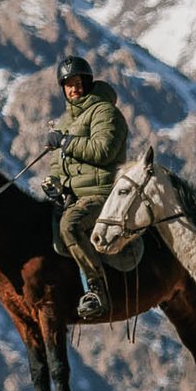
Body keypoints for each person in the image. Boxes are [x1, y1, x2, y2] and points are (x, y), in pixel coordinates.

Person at [45, 56, 130, 320]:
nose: (74, 88)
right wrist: (54, 182)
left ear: (88, 82)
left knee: (70, 225)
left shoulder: (105, 112)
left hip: (102, 195)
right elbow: (57, 164)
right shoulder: (64, 121)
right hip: (74, 195)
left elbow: (103, 150)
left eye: (78, 81)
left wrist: (66, 142)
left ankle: (97, 290)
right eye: (68, 83)